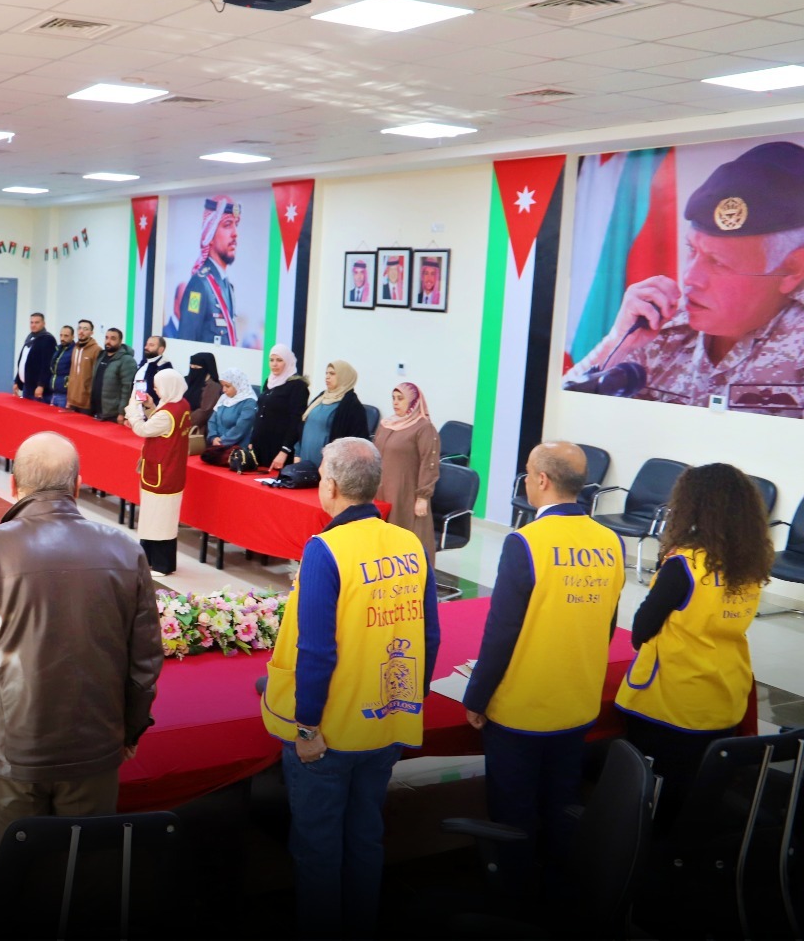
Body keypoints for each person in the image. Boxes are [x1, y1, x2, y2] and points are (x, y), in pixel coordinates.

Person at [0, 431, 163, 873]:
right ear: (77, 486)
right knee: (85, 882)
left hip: (12, 752)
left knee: (13, 881)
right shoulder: (124, 549)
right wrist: (131, 730)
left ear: (14, 485)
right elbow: (144, 662)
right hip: (96, 747)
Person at [260, 437, 440, 939]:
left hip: (332, 731)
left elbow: (317, 650)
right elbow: (430, 635)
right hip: (388, 721)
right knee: (365, 837)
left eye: (321, 478)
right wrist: (412, 700)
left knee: (318, 848)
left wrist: (307, 726)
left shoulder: (327, 549)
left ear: (333, 487)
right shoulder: (409, 543)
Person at [462, 442, 626, 896]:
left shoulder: (526, 542)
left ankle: (514, 894)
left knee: (513, 812)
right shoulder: (610, 541)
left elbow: (502, 633)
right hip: (577, 701)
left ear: (541, 480)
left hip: (523, 707)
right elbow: (607, 624)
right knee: (562, 805)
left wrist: (476, 696)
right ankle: (559, 891)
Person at [562, 140, 804, 412]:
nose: (690, 278)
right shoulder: (662, 327)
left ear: (792, 269)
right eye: (692, 250)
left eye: (718, 262)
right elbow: (562, 411)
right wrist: (618, 341)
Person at [615, 463, 770, 829]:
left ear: (692, 505)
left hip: (672, 698)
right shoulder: (750, 562)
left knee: (655, 788)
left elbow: (642, 627)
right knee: (698, 786)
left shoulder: (684, 563)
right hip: (725, 691)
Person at [125, 369, 190, 577]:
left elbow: (143, 430)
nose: (154, 388)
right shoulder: (181, 405)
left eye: (157, 385)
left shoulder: (167, 414)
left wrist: (133, 409)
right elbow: (160, 424)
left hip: (162, 473)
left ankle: (161, 565)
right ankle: (151, 559)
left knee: (158, 519)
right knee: (160, 518)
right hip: (172, 470)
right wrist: (150, 406)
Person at [373, 382, 442, 565]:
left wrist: (423, 496)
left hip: (405, 493)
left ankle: (409, 575)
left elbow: (429, 463)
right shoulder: (387, 424)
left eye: (400, 398)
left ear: (413, 402)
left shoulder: (424, 428)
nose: (395, 402)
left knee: (403, 536)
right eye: (393, 398)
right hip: (380, 490)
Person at [177, 194, 242, 346]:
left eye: (236, 225)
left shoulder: (227, 285)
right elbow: (187, 339)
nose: (235, 233)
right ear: (210, 234)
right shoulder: (199, 285)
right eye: (227, 225)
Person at [246, 344, 310, 472]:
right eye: (271, 360)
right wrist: (252, 440)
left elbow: (296, 421)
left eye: (279, 360)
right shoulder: (269, 382)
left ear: (288, 362)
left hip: (279, 450)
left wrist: (284, 451)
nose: (274, 364)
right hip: (260, 446)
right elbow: (260, 413)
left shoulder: (298, 386)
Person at [296, 361, 369, 467]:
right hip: (304, 462)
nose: (327, 377)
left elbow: (356, 444)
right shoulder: (321, 397)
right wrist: (297, 453)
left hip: (329, 467)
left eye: (332, 374)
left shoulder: (353, 406)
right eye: (326, 373)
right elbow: (304, 427)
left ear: (344, 377)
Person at [199, 367, 256, 465]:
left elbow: (240, 428)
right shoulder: (223, 398)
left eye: (227, 386)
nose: (224, 390)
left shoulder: (249, 402)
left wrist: (222, 442)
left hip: (237, 451)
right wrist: (213, 437)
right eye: (223, 386)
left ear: (238, 385)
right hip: (218, 447)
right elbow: (212, 420)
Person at [89, 327, 136, 423]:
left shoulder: (126, 360)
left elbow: (127, 390)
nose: (108, 341)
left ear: (120, 341)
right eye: (106, 338)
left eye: (113, 338)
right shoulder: (101, 356)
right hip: (97, 411)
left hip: (113, 414)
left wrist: (122, 413)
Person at [13, 313, 55, 402]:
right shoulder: (30, 339)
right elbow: (24, 361)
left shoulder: (48, 339)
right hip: (27, 386)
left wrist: (41, 385)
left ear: (43, 323)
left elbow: (47, 365)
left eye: (36, 322)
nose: (33, 325)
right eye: (31, 322)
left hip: (37, 389)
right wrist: (17, 381)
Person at [184, 351, 222, 433]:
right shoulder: (187, 380)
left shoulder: (213, 387)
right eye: (191, 366)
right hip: (180, 422)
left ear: (206, 368)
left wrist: (184, 422)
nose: (193, 369)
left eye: (196, 367)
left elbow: (204, 411)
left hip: (196, 428)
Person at [131, 335, 173, 407]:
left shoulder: (165, 367)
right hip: (138, 406)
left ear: (161, 349)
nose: (146, 347)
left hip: (152, 408)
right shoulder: (144, 362)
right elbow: (140, 383)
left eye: (151, 345)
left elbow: (164, 394)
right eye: (146, 344)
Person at [66, 319, 98, 414]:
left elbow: (96, 377)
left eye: (85, 329)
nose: (81, 331)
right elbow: (72, 373)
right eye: (79, 328)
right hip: (72, 400)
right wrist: (69, 398)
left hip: (86, 403)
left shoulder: (96, 350)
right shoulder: (75, 348)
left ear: (91, 332)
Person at [47, 325, 75, 408]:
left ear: (73, 337)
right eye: (61, 335)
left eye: (66, 336)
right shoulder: (58, 349)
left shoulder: (74, 351)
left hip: (65, 394)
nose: (62, 338)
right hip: (54, 392)